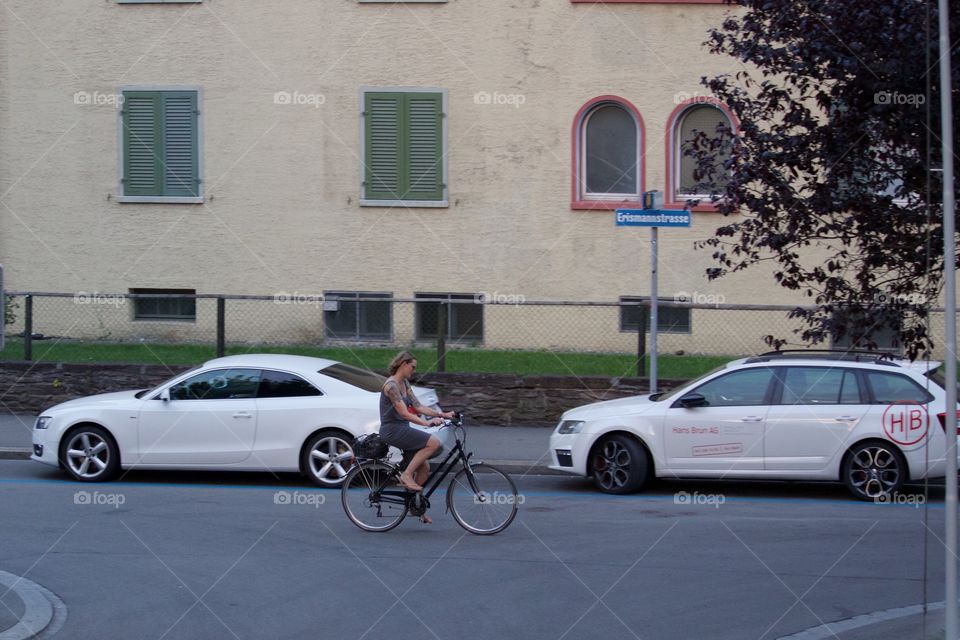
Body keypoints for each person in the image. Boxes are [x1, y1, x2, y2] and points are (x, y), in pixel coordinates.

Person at [379, 351, 455, 523]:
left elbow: (419, 406)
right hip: (392, 430)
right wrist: (426, 424)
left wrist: (442, 415)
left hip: (402, 428)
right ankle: (406, 475)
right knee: (433, 443)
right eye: (412, 367)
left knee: (424, 468)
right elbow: (404, 414)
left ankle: (416, 508)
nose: (413, 371)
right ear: (404, 364)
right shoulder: (391, 386)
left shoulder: (404, 383)